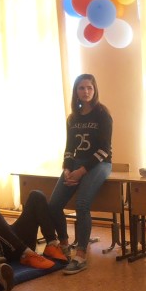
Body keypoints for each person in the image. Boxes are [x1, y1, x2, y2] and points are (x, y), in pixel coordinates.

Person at [47, 73, 113, 275]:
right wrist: (67, 169)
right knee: (54, 205)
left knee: (82, 204)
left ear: (95, 90)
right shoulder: (72, 118)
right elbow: (69, 148)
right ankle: (64, 245)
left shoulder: (102, 114)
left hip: (100, 163)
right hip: (76, 164)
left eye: (89, 88)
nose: (86, 91)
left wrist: (81, 171)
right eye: (81, 88)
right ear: (76, 92)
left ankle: (81, 255)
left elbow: (104, 150)